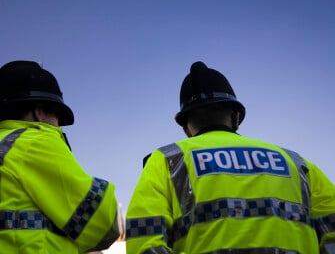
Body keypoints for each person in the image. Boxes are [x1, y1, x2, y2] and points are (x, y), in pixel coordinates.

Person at [126, 61, 335, 254]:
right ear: (236, 116)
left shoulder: (166, 160)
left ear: (186, 128)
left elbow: (144, 240)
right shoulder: (296, 163)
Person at [0, 60, 120, 253]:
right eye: (57, 117)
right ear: (39, 111)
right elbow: (102, 224)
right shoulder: (33, 141)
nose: (58, 126)